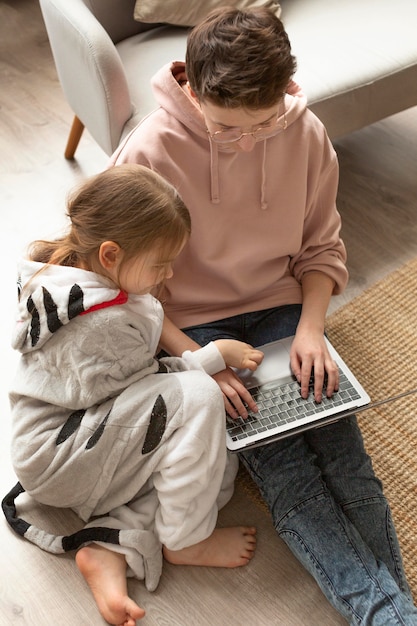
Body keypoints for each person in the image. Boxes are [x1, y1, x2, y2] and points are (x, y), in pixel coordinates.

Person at [109, 7, 417, 624]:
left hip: (281, 306)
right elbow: (130, 291)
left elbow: (322, 247)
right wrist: (197, 365)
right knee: (290, 477)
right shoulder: (146, 154)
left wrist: (310, 329)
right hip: (192, 324)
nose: (250, 141)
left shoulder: (304, 134)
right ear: (193, 90)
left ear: (287, 88)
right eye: (229, 130)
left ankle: (393, 614)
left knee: (347, 462)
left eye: (265, 122)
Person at [4, 164, 262, 626]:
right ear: (110, 254)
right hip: (60, 453)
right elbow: (148, 388)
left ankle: (109, 546)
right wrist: (211, 358)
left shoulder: (80, 275)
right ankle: (185, 539)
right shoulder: (97, 325)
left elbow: (138, 373)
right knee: (200, 400)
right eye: (161, 264)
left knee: (217, 465)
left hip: (80, 428)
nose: (169, 274)